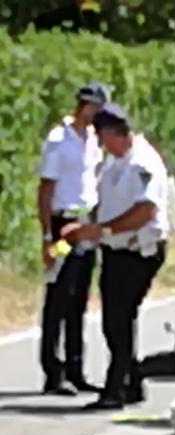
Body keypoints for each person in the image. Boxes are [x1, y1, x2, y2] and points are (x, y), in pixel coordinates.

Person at [62, 103, 170, 411]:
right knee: (118, 316)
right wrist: (87, 229)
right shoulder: (114, 162)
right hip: (114, 248)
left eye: (102, 136)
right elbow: (105, 204)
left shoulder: (142, 163)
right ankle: (131, 381)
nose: (100, 142)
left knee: (117, 318)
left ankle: (116, 389)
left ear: (115, 133)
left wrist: (104, 230)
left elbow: (144, 210)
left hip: (138, 249)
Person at [37, 82, 109, 395]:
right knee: (59, 295)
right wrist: (47, 237)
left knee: (80, 296)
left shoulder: (94, 139)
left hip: (86, 221)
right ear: (83, 105)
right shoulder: (59, 139)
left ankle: (76, 366)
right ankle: (53, 371)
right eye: (94, 107)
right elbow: (46, 189)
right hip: (63, 222)